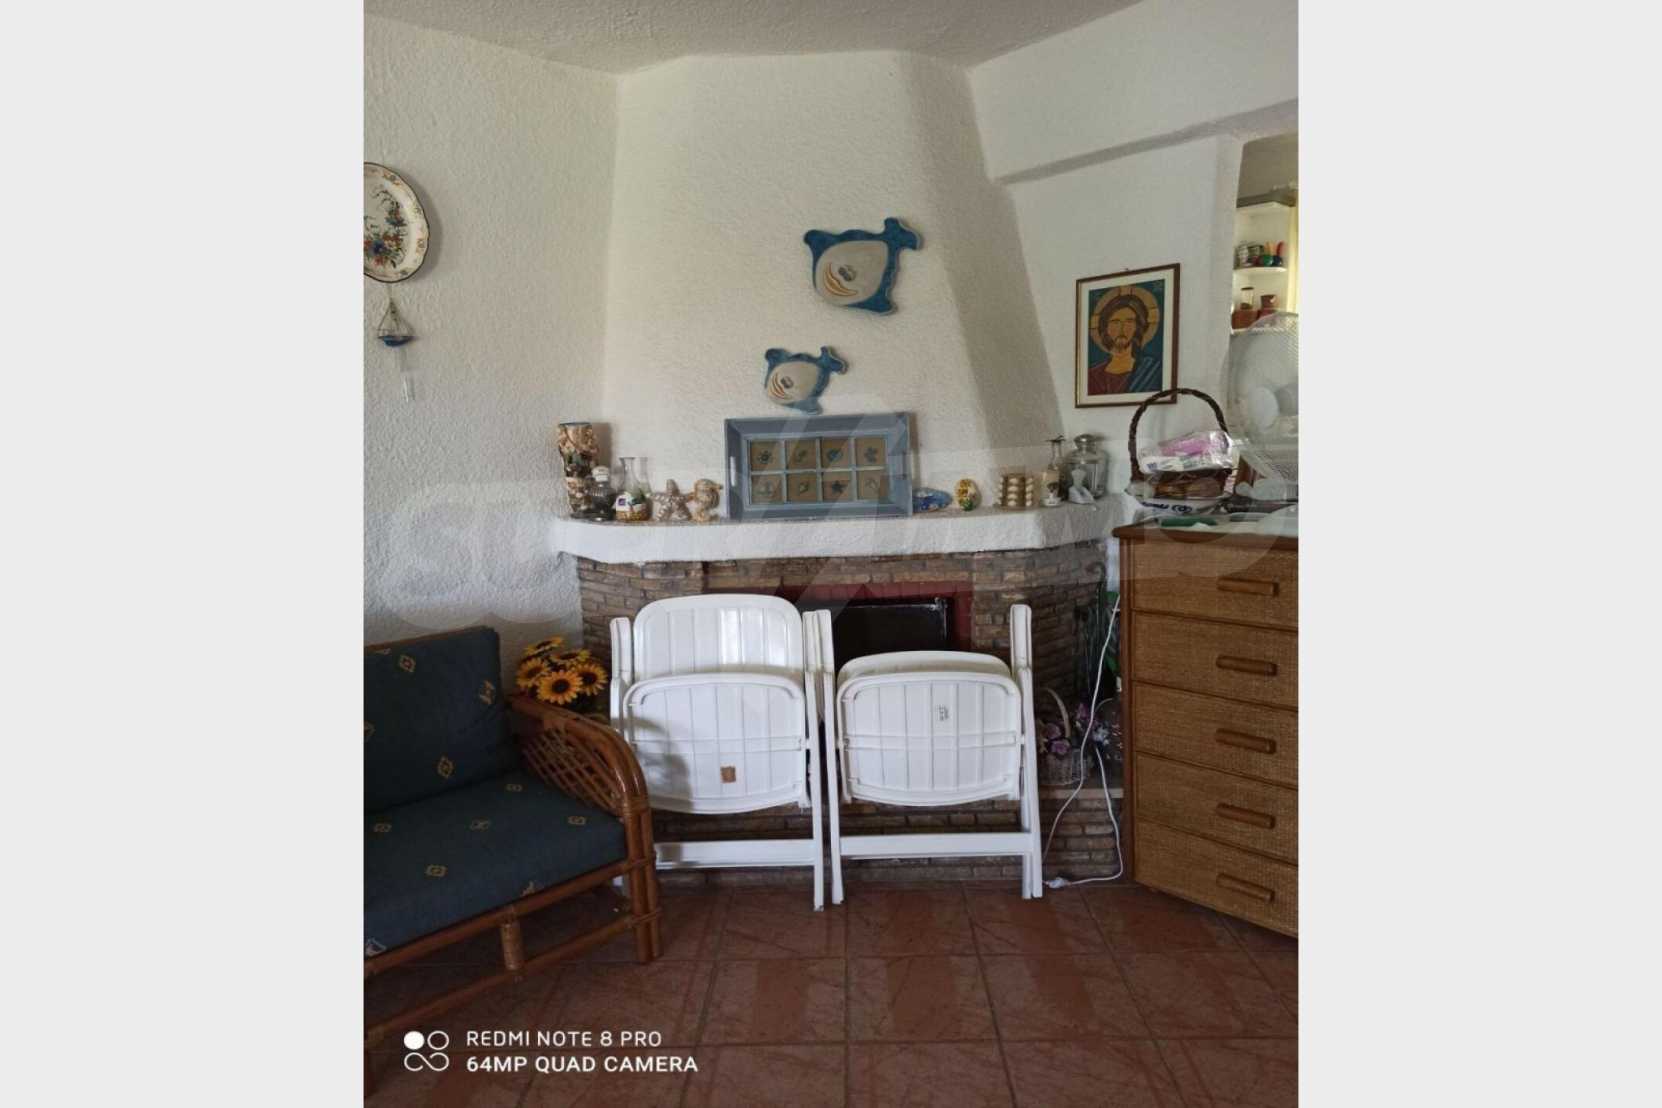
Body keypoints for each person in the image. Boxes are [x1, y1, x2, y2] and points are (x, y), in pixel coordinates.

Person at [1086, 286, 1163, 396]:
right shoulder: (1093, 374)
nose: (1121, 329)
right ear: (1106, 327)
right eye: (1115, 322)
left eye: (1129, 321)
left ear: (1138, 326)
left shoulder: (1152, 369)